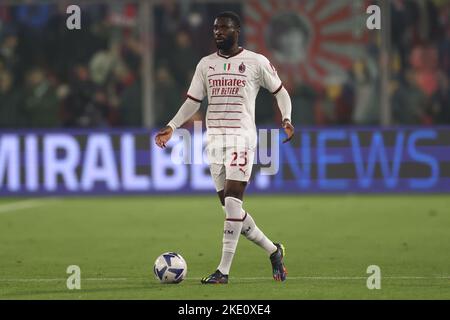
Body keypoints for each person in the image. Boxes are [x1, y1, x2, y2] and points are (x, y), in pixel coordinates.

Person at [155, 11, 294, 284]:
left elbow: (281, 92)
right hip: (215, 142)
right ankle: (273, 250)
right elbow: (193, 102)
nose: (218, 32)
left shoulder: (255, 62)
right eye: (215, 28)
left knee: (232, 201)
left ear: (237, 30)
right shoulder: (205, 65)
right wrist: (172, 126)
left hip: (242, 139)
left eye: (224, 28)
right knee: (232, 213)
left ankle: (223, 271)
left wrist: (287, 119)